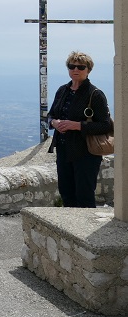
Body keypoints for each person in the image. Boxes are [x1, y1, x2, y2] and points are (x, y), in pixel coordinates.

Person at [48, 51, 113, 208]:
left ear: (88, 70)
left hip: (86, 153)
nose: (75, 69)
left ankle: (85, 230)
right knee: (66, 193)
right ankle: (69, 229)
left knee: (84, 195)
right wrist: (55, 123)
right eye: (72, 66)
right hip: (63, 150)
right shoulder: (62, 91)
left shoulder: (95, 95)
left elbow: (106, 125)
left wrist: (77, 125)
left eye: (80, 67)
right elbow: (50, 116)